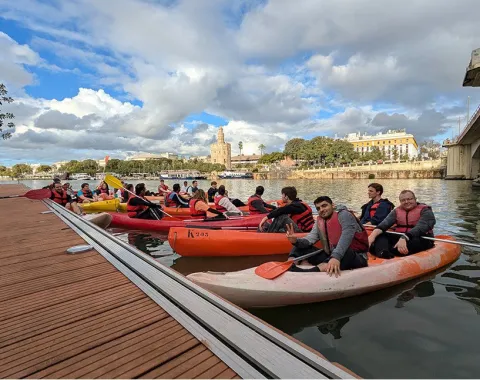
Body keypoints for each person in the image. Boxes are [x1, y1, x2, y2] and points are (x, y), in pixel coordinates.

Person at [287, 196, 369, 276]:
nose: (321, 210)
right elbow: (310, 239)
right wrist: (296, 241)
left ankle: (312, 271)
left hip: (355, 257)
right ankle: (290, 265)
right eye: (318, 208)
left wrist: (336, 257)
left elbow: (346, 237)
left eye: (324, 205)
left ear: (333, 205)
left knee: (345, 251)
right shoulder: (319, 221)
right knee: (299, 246)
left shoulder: (344, 215)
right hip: (331, 255)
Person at [368, 190, 436, 259]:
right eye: (403, 200)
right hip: (401, 236)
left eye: (409, 199)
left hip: (420, 237)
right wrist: (372, 236)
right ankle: (383, 252)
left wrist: (404, 237)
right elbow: (384, 224)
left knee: (414, 242)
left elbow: (422, 227)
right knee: (381, 235)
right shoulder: (396, 211)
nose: (406, 202)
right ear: (400, 202)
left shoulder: (426, 211)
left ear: (415, 199)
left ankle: (383, 250)